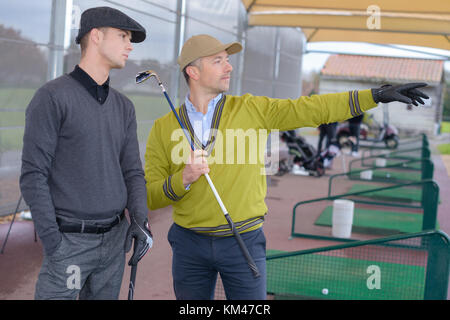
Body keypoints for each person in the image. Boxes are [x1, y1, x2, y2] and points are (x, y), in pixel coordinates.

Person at [144, 34, 428, 300]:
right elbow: (151, 195)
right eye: (218, 61)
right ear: (193, 72)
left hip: (243, 240)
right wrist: (183, 178)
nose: (229, 67)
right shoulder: (162, 128)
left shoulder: (252, 108)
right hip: (188, 245)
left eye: (227, 59)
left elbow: (311, 109)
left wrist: (374, 96)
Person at [20, 6, 152, 300]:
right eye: (122, 36)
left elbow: (132, 171)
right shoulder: (52, 97)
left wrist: (139, 220)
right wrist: (55, 242)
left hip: (115, 242)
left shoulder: (124, 107)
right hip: (70, 245)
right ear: (95, 36)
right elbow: (33, 175)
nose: (129, 45)